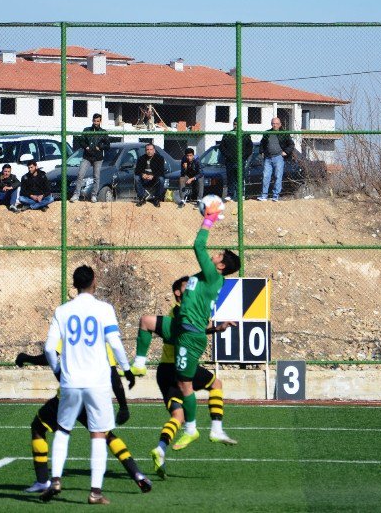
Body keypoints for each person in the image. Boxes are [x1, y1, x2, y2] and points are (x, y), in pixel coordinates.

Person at [41, 265, 135, 505]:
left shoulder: (62, 311)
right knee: (98, 435)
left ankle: (55, 479)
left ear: (74, 284)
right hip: (98, 383)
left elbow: (49, 348)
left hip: (71, 381)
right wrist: (126, 369)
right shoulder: (104, 309)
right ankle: (95, 492)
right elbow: (114, 343)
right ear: (94, 281)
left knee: (63, 431)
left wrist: (58, 370)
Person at [129, 276, 238, 478]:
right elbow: (184, 328)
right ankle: (216, 429)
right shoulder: (179, 311)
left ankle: (160, 450)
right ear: (178, 293)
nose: (191, 289)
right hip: (180, 366)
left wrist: (216, 328)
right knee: (216, 384)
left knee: (177, 416)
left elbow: (193, 329)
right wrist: (213, 327)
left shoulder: (187, 312)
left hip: (165, 371)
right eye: (186, 286)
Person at [14, 349, 152, 494]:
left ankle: (44, 481)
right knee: (105, 434)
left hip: (70, 394)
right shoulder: (101, 334)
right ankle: (136, 473)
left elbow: (50, 354)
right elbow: (113, 374)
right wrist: (123, 406)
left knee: (38, 427)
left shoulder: (70, 327)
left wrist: (26, 357)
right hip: (93, 395)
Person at [165, 212, 240, 451]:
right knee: (213, 383)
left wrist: (209, 219)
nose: (214, 254)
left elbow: (198, 245)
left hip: (189, 334)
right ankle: (215, 429)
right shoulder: (207, 278)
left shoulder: (211, 275)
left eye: (218, 255)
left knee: (184, 384)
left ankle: (191, 430)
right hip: (189, 331)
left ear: (221, 265)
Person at [71, 113, 110, 203]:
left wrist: (100, 147)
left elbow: (108, 145)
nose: (96, 123)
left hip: (98, 158)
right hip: (87, 156)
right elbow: (81, 141)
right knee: (80, 175)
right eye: (94, 121)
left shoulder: (103, 132)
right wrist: (86, 147)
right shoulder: (86, 130)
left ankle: (94, 196)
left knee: (96, 177)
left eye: (98, 121)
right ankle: (76, 194)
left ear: (100, 121)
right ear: (92, 120)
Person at [257, 117, 295, 202]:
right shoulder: (267, 133)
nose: (275, 125)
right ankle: (264, 196)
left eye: (277, 123)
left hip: (278, 158)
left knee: (278, 176)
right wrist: (262, 152)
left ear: (280, 124)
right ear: (271, 124)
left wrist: (286, 152)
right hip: (268, 158)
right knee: (266, 176)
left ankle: (275, 195)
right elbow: (262, 143)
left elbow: (291, 144)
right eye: (273, 123)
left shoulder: (284, 133)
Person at [218, 118, 253, 202]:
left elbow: (250, 148)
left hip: (240, 161)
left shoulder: (245, 134)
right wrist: (228, 155)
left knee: (240, 178)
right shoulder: (228, 134)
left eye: (237, 124)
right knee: (230, 178)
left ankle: (240, 195)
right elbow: (222, 147)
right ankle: (230, 194)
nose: (235, 125)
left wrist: (243, 156)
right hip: (230, 160)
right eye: (234, 124)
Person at [134, 143, 165, 208]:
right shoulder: (141, 158)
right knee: (136, 178)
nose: (149, 151)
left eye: (151, 149)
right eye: (147, 149)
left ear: (154, 150)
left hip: (154, 179)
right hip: (144, 179)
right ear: (145, 151)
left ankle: (157, 199)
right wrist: (142, 174)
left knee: (161, 179)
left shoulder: (160, 158)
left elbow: (161, 171)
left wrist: (153, 176)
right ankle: (141, 198)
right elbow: (137, 171)